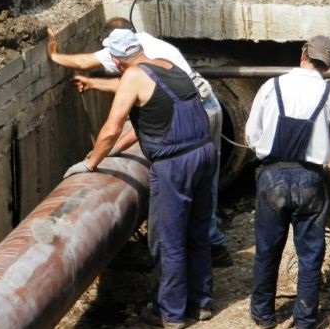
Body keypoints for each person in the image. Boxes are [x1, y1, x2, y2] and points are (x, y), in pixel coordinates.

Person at [48, 17, 234, 268]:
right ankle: (211, 248)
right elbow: (144, 92)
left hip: (183, 130)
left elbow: (148, 115)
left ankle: (177, 271)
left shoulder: (126, 58)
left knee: (168, 227)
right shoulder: (152, 52)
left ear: (115, 50)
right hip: (206, 110)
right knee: (204, 187)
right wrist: (94, 83)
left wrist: (97, 160)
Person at [63, 28, 217, 329]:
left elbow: (112, 127)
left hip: (175, 165)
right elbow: (153, 116)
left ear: (118, 60)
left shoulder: (133, 76)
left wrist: (91, 163)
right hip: (205, 152)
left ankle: (170, 313)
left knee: (167, 239)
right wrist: (120, 147)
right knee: (197, 233)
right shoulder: (167, 65)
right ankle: (201, 303)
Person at [245, 35, 330, 329]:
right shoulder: (329, 95)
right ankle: (305, 321)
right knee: (309, 253)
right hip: (309, 179)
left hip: (271, 176)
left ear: (302, 54)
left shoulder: (272, 86)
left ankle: (263, 315)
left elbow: (251, 134)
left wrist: (268, 156)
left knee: (268, 247)